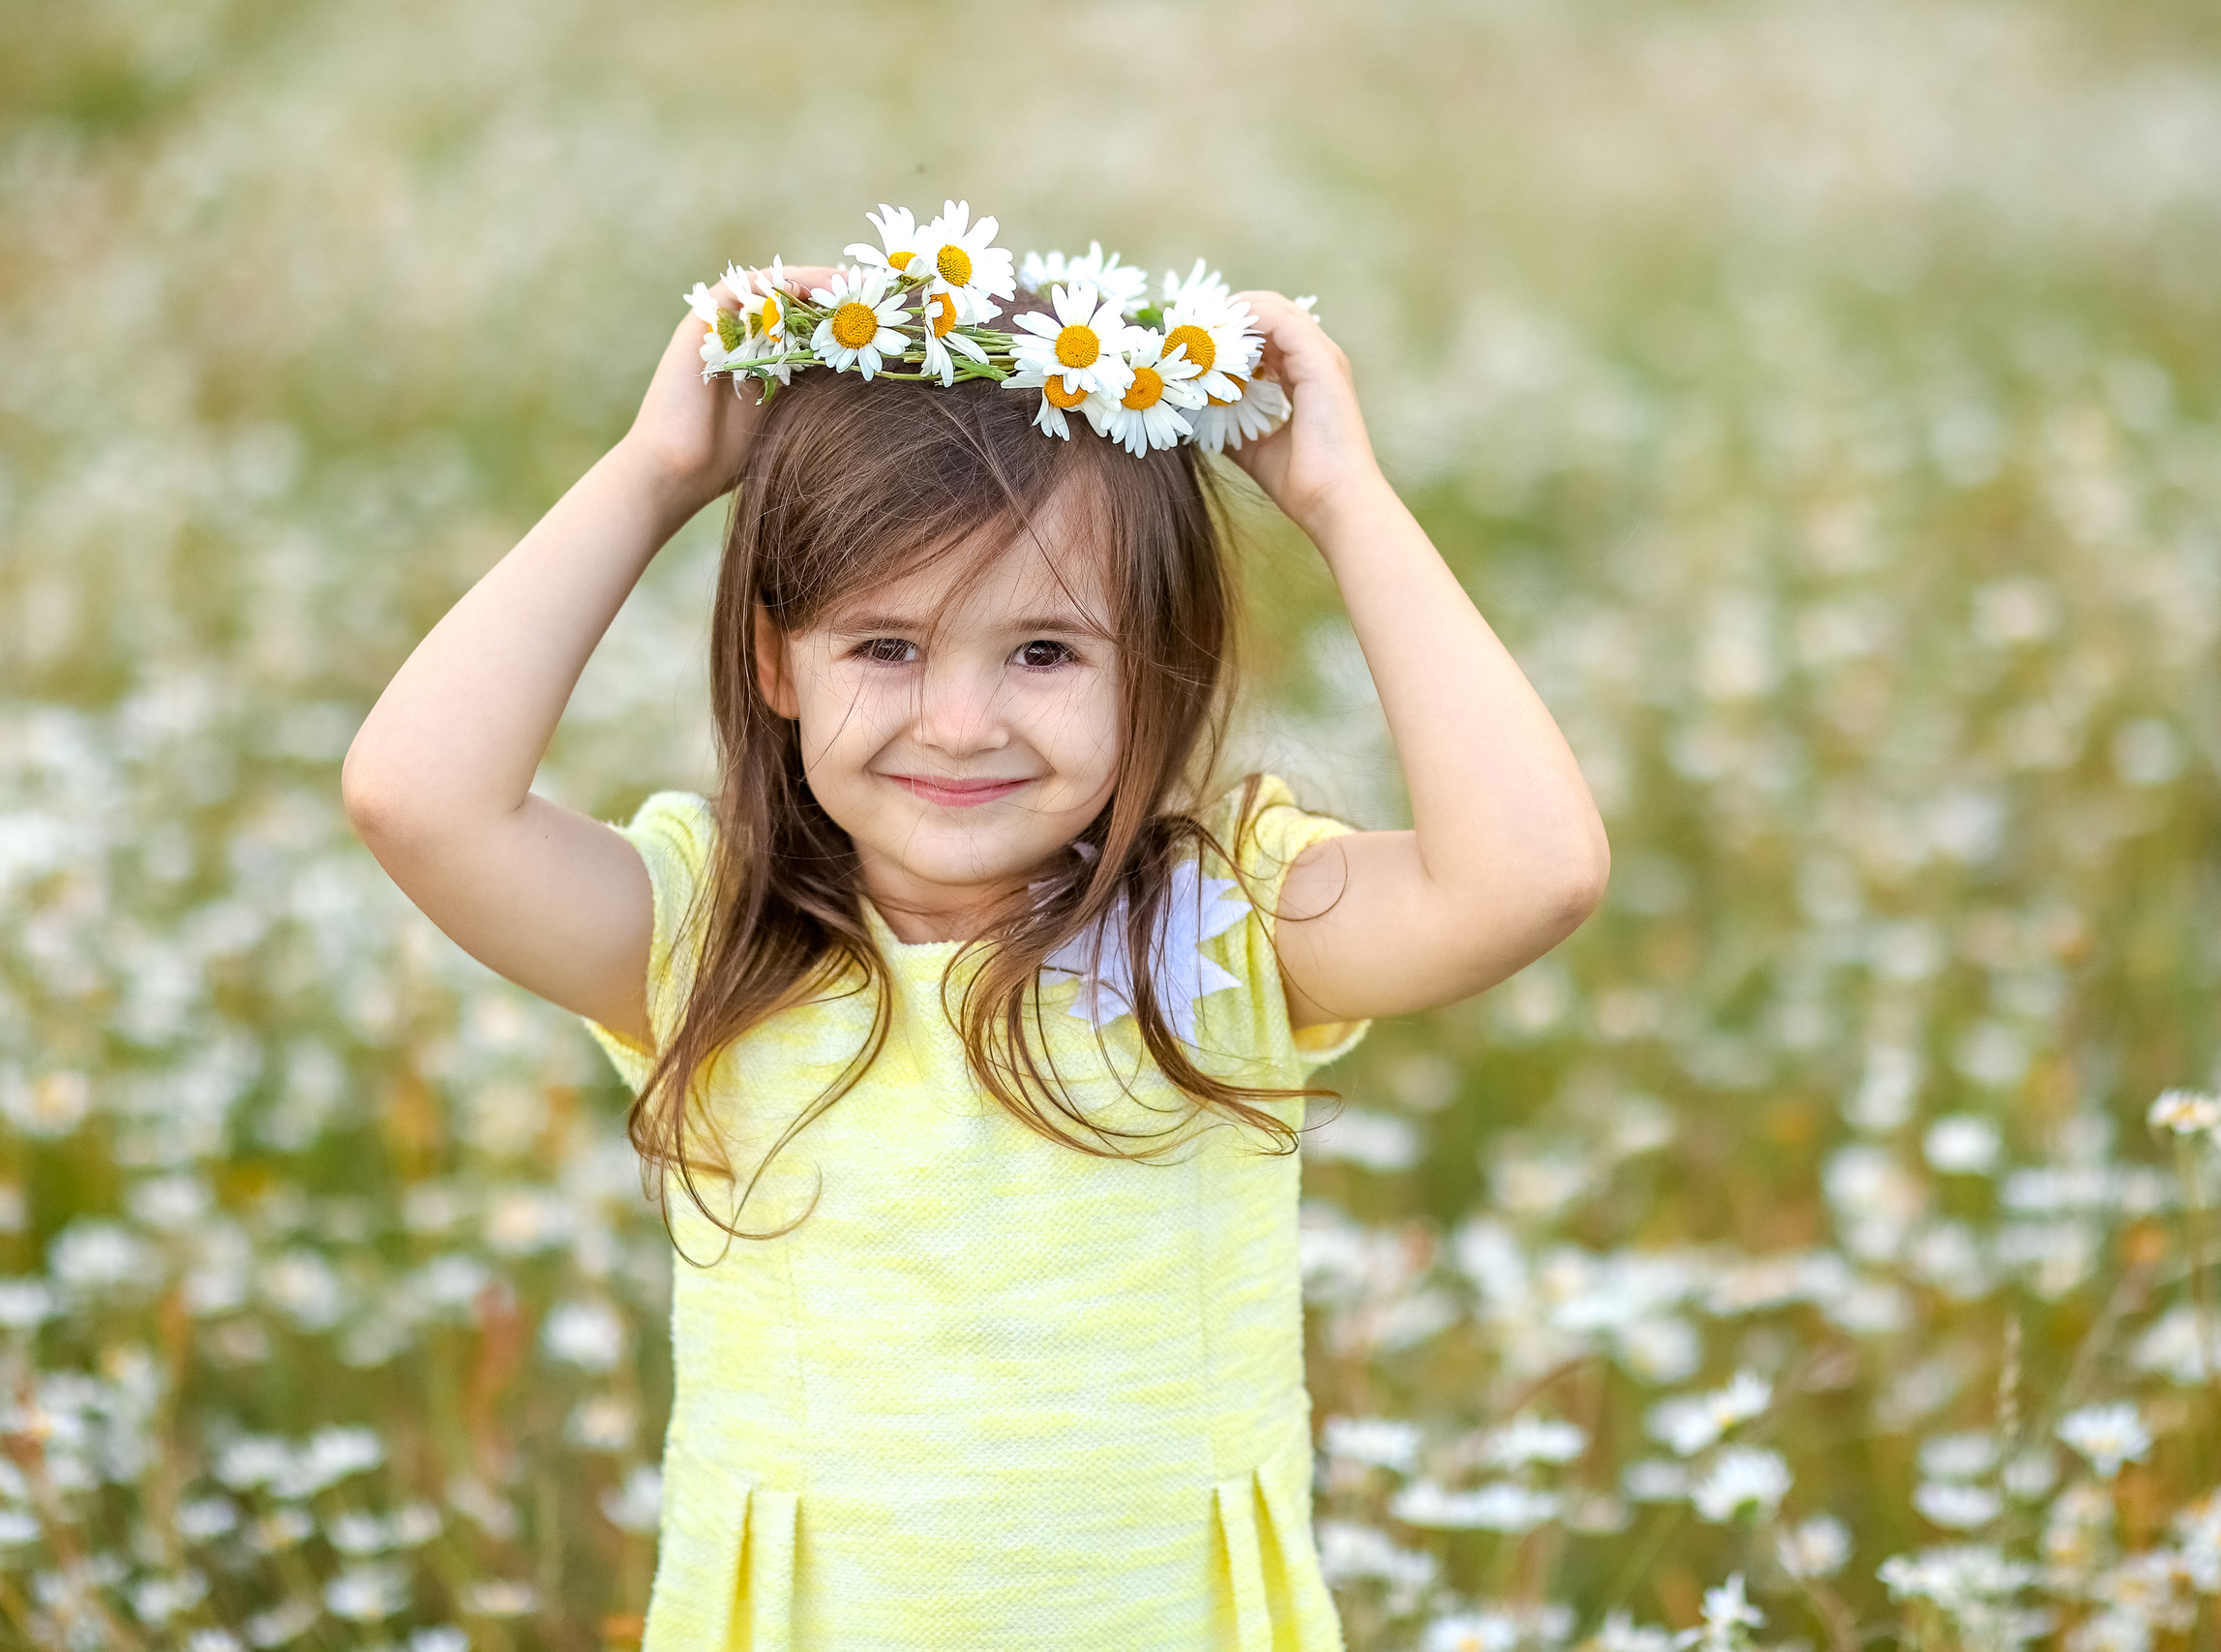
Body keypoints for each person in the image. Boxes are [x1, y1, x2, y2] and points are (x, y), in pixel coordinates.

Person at [342, 214, 1607, 1651]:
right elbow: (414, 797)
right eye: (885, 646)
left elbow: (1532, 877)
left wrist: (1346, 502)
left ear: (1160, 668)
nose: (959, 722)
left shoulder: (1224, 929)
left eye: (1047, 651)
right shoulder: (716, 939)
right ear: (775, 662)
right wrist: (657, 476)